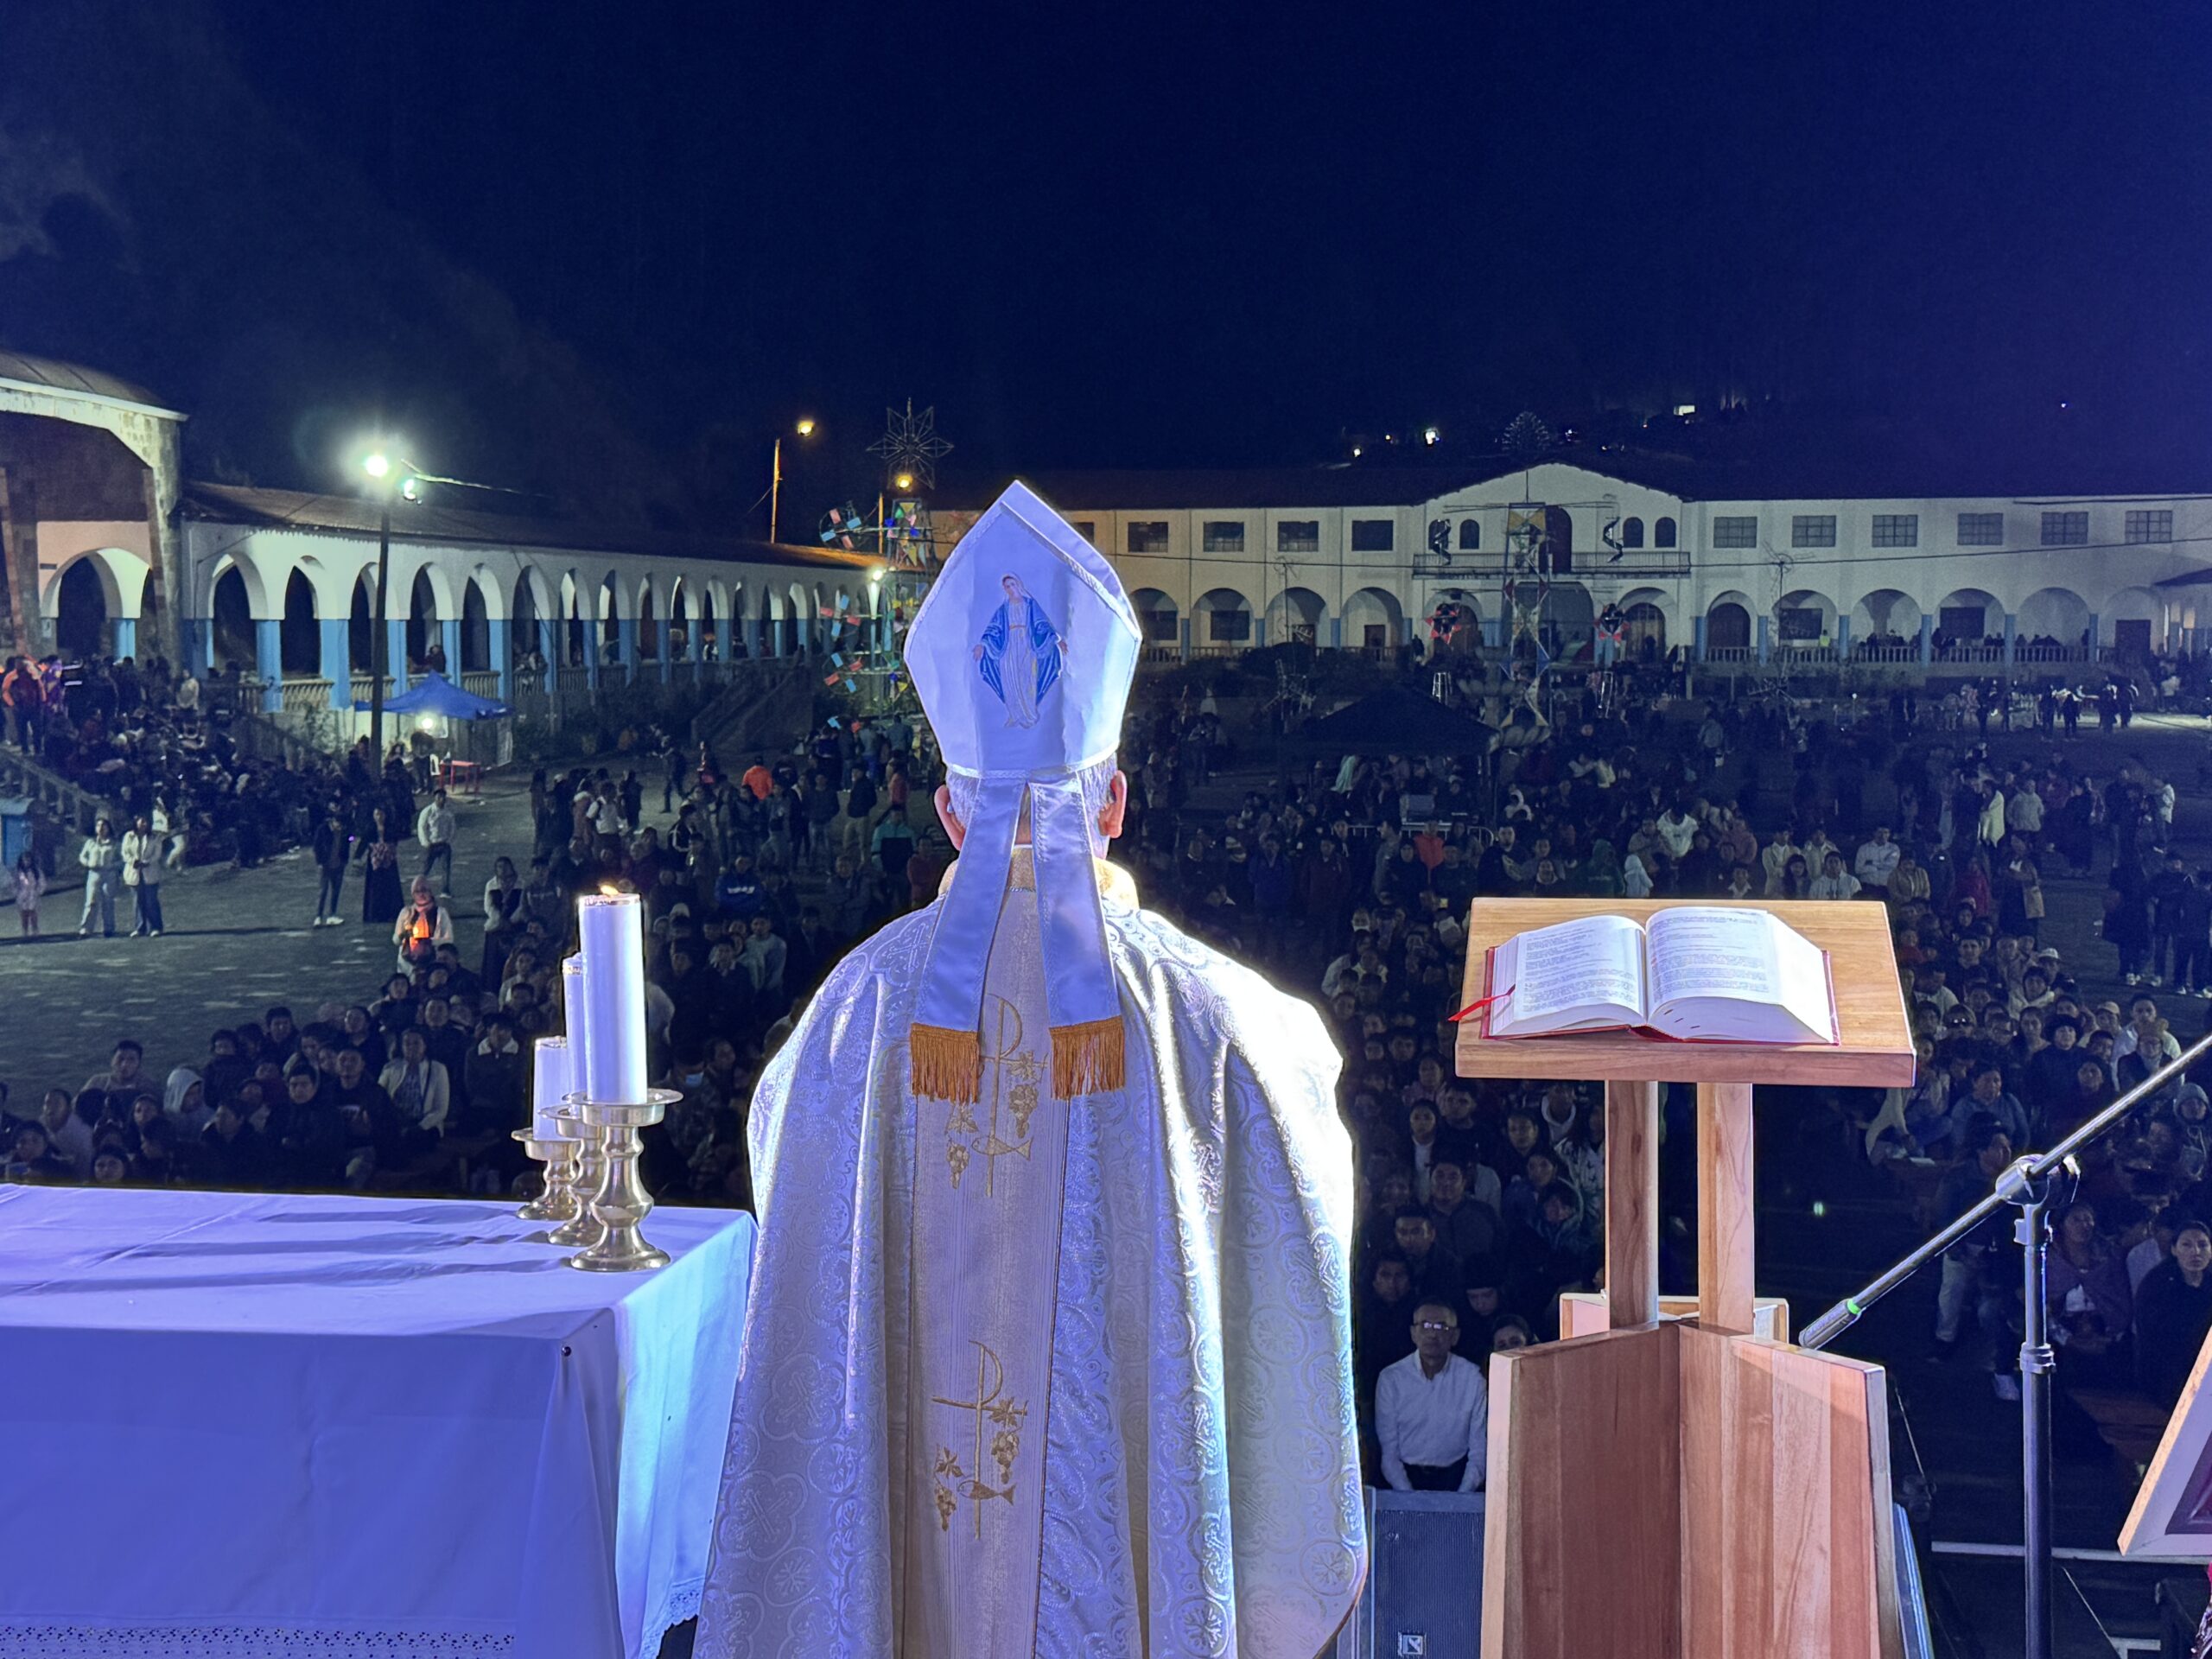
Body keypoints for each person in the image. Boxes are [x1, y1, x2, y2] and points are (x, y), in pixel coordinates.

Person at [699, 484, 1362, 1656]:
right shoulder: (1218, 1016)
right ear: (1114, 800)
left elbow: (788, 1198)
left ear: (949, 812)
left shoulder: (854, 1014)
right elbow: (1308, 1198)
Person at [1375, 1300, 1489, 1493]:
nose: (1432, 1334)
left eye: (1441, 1327)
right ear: (1413, 1333)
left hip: (1455, 1477)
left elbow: (1479, 1450)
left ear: (1455, 1336)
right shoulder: (1391, 1378)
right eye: (1425, 1325)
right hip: (1405, 1477)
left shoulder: (1473, 1379)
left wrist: (1461, 1496)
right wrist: (1408, 1497)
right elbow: (1389, 1452)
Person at [2138, 1220, 2212, 1406]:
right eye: (2186, 1245)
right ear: (2174, 1249)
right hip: (2168, 1370)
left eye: (2202, 1245)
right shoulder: (2157, 1284)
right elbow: (2151, 1333)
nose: (2196, 1252)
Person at [391, 878, 454, 976]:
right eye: (417, 891)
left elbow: (449, 940)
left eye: (424, 890)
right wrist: (403, 935)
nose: (421, 894)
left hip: (433, 962)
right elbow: (395, 940)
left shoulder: (441, 913)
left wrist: (430, 941)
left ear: (430, 892)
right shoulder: (405, 912)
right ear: (412, 894)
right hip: (407, 964)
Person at [120, 814, 165, 938]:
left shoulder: (155, 837)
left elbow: (157, 853)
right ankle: (140, 928)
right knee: (138, 901)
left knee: (151, 901)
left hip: (150, 871)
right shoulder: (129, 836)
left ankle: (156, 927)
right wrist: (133, 861)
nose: (144, 824)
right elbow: (125, 852)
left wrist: (147, 862)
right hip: (134, 872)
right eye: (142, 821)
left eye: (146, 822)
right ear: (136, 822)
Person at [76, 817, 121, 938]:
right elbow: (82, 856)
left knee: (108, 901)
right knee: (91, 902)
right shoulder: (90, 843)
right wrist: (87, 863)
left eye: (104, 826)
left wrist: (113, 865)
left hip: (109, 874)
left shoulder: (115, 844)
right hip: (94, 874)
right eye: (98, 826)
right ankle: (86, 929)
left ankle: (109, 928)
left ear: (108, 828)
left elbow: (122, 859)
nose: (101, 828)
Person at [311, 803, 353, 926]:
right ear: (333, 821)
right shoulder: (323, 830)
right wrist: (319, 862)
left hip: (339, 864)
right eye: (338, 824)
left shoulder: (344, 832)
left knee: (336, 890)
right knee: (323, 891)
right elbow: (316, 847)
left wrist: (350, 837)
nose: (339, 827)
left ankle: (332, 915)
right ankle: (318, 916)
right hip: (326, 864)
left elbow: (351, 839)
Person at [361, 809, 404, 925]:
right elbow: (363, 843)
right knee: (375, 889)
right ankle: (375, 914)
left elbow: (395, 840)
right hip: (375, 864)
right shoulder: (370, 829)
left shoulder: (390, 828)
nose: (379, 817)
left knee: (390, 887)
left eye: (381, 814)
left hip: (389, 862)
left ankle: (391, 913)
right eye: (376, 814)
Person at [416, 789, 457, 893]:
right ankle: (419, 888)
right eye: (439, 797)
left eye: (443, 797)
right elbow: (422, 827)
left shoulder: (448, 813)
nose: (441, 800)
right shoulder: (428, 811)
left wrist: (449, 841)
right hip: (431, 845)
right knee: (425, 869)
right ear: (435, 798)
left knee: (446, 869)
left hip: (444, 844)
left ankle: (445, 890)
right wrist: (425, 842)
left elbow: (453, 827)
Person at [11, 850, 42, 938]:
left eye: (28, 860)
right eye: (24, 860)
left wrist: (38, 891)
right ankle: (25, 931)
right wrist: (16, 893)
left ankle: (35, 930)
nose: (26, 862)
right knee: (24, 914)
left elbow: (41, 882)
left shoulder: (36, 871)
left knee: (33, 913)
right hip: (23, 895)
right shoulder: (18, 872)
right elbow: (14, 883)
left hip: (33, 895)